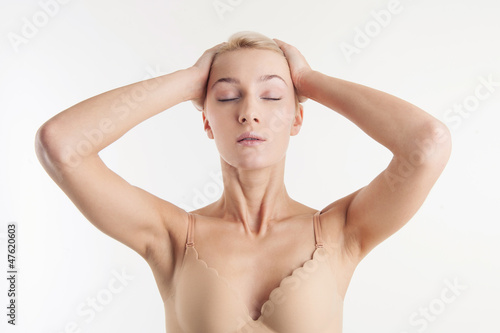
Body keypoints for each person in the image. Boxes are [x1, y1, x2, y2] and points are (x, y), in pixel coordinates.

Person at [35, 31, 452, 332]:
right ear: (206, 122)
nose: (249, 112)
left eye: (272, 97)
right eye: (227, 96)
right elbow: (61, 145)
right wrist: (188, 81)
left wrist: (307, 80)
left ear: (297, 118)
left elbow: (428, 144)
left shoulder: (341, 232)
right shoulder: (172, 239)